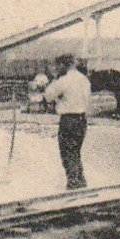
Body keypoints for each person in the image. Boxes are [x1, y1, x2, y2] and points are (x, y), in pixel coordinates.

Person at [43, 53, 91, 190]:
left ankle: (73, 183)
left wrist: (54, 81)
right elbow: (87, 100)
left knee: (67, 151)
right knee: (75, 151)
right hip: (82, 119)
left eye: (58, 66)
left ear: (64, 65)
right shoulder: (84, 80)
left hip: (68, 119)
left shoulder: (64, 80)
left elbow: (48, 95)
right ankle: (81, 180)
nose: (57, 68)